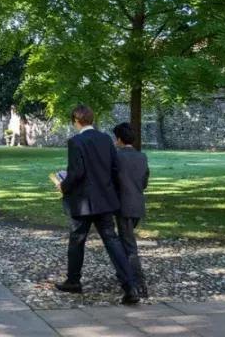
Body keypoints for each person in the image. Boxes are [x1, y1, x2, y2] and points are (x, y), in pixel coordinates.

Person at [54, 105, 139, 306]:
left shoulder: (75, 142)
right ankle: (129, 285)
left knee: (77, 240)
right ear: (91, 119)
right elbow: (114, 168)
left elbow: (77, 173)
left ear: (76, 120)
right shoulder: (106, 140)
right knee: (112, 241)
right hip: (104, 200)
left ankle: (73, 281)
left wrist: (63, 186)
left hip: (83, 201)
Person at [113, 122, 150, 298]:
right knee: (125, 241)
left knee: (129, 245)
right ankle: (125, 274)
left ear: (119, 139)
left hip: (123, 206)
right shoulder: (142, 157)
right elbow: (144, 182)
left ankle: (137, 283)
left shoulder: (117, 157)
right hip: (137, 204)